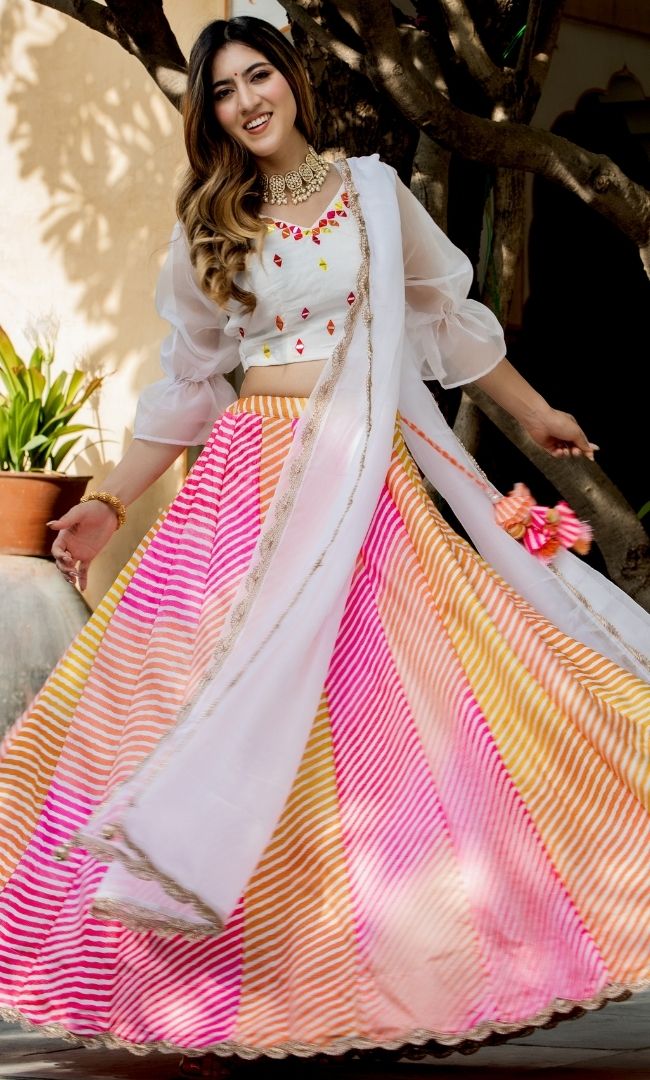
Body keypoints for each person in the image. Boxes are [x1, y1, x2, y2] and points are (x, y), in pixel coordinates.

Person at [1, 15, 649, 1079]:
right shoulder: (213, 222)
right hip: (246, 485)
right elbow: (186, 384)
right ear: (210, 114)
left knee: (384, 713)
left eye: (259, 76)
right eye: (223, 91)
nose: (246, 102)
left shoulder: (375, 196)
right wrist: (110, 498)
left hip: (361, 476)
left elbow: (445, 320)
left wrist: (535, 413)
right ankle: (220, 994)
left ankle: (393, 968)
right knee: (210, 707)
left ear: (293, 81)